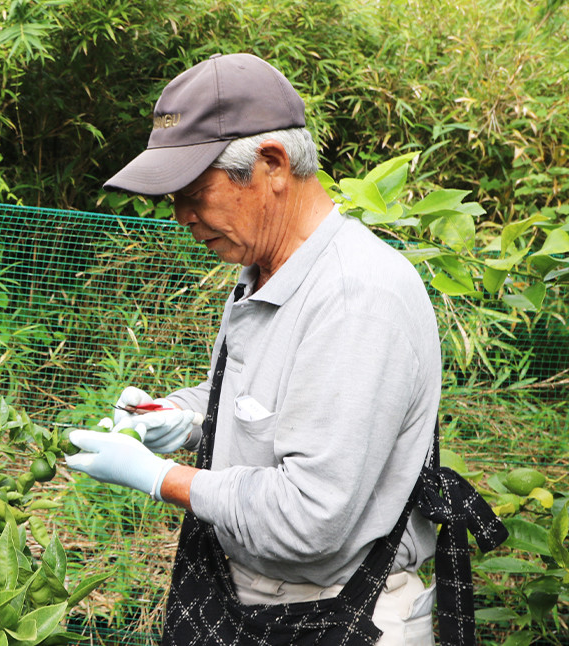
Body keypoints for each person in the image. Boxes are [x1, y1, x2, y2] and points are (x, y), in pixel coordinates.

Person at [65, 53, 505, 645]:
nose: (182, 218)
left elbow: (308, 518)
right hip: (258, 602)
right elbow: (265, 400)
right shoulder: (266, 270)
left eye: (194, 192)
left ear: (272, 164)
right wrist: (182, 417)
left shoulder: (356, 298)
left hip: (337, 614)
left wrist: (162, 478)